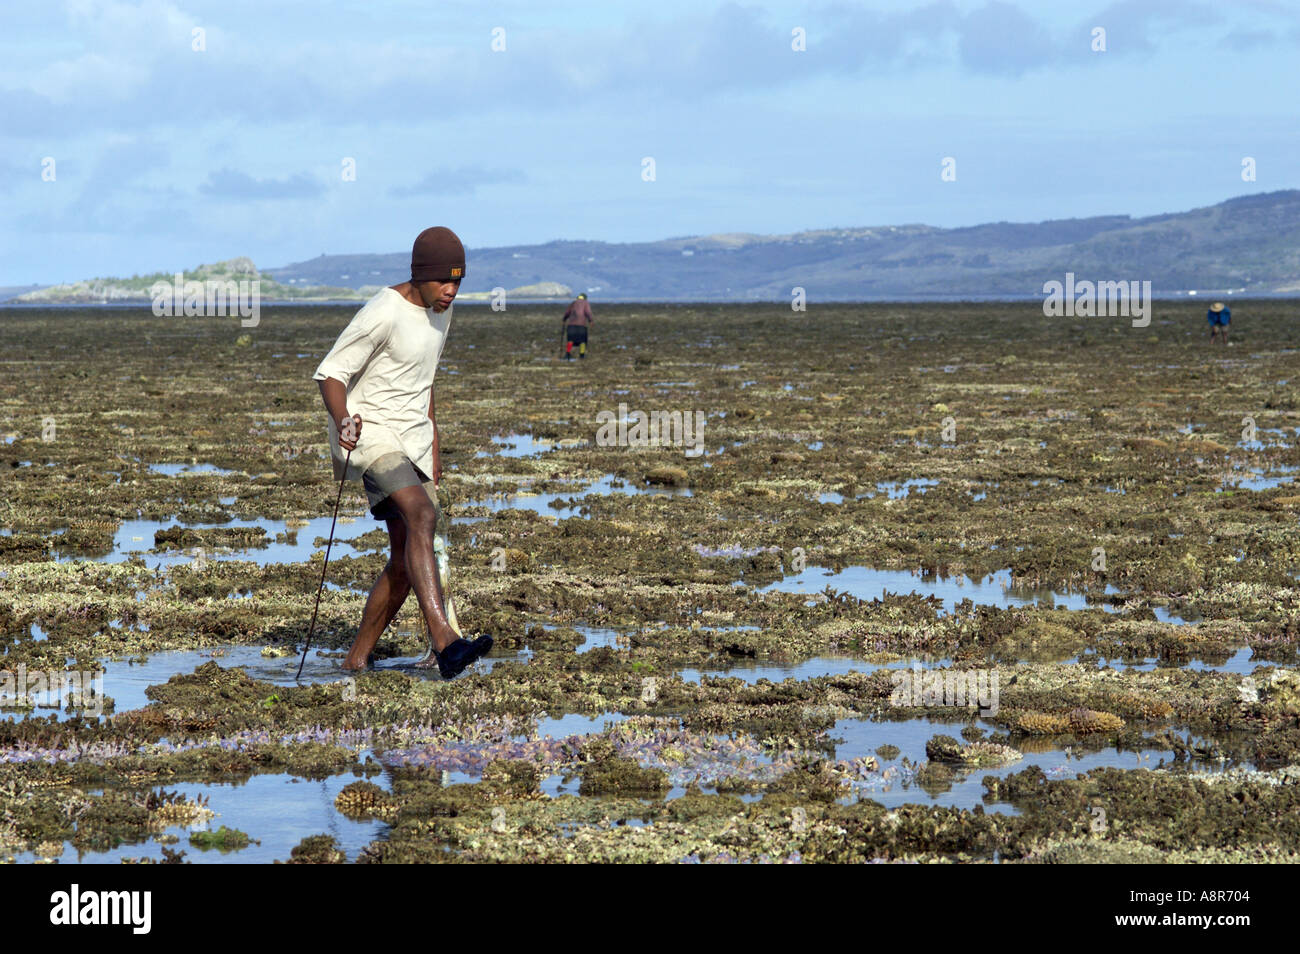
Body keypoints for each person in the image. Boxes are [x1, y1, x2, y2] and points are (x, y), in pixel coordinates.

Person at [312, 226, 492, 678]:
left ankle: (355, 659)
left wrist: (432, 446)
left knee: (406, 557)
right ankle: (446, 641)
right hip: (370, 434)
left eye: (458, 282)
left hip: (413, 439)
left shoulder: (441, 312)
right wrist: (343, 419)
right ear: (420, 276)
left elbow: (424, 381)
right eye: (443, 282)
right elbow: (331, 373)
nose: (451, 291)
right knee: (421, 517)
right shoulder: (385, 310)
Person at [561, 292, 593, 359]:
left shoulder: (573, 303)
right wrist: (591, 320)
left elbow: (567, 312)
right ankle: (582, 355)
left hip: (571, 325)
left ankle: (568, 353)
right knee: (582, 341)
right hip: (581, 325)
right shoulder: (585, 303)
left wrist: (564, 319)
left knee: (570, 340)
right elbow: (588, 312)